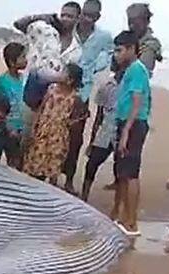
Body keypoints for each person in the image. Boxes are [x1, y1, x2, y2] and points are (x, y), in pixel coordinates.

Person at [62, 0, 113, 193]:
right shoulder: (68, 31)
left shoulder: (104, 37)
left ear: (97, 17)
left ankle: (68, 180)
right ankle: (51, 176)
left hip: (82, 93)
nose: (86, 18)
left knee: (75, 139)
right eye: (84, 14)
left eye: (91, 15)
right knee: (56, 135)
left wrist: (95, 69)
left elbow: (109, 56)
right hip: (61, 90)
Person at [111, 31, 152, 237]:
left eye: (119, 50)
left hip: (133, 124)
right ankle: (124, 217)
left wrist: (126, 131)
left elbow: (137, 101)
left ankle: (132, 222)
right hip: (126, 122)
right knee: (124, 173)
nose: (116, 55)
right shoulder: (130, 70)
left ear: (131, 49)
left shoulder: (136, 70)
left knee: (131, 173)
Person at [14, 3, 82, 112]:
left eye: (70, 16)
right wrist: (46, 16)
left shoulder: (77, 49)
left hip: (53, 103)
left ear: (78, 19)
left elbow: (69, 78)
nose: (65, 19)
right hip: (30, 96)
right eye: (62, 15)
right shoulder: (45, 31)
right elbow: (18, 24)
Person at [23, 63, 84, 184]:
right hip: (43, 132)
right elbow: (40, 109)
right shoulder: (51, 90)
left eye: (63, 72)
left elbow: (75, 122)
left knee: (53, 166)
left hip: (58, 137)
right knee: (36, 163)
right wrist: (34, 127)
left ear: (70, 80)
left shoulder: (75, 98)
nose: (59, 74)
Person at [81, 59, 122, 201]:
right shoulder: (107, 86)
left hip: (122, 132)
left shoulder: (131, 86)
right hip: (106, 130)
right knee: (92, 163)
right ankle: (84, 195)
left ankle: (119, 202)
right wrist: (92, 140)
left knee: (122, 169)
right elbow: (99, 116)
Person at [0, 42, 27, 169]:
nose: (26, 60)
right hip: (1, 128)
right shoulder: (2, 81)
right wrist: (8, 127)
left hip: (19, 129)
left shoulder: (24, 79)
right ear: (12, 62)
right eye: (22, 57)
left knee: (15, 163)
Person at [126, 3, 162, 75]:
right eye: (130, 22)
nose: (132, 26)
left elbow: (141, 72)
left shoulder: (150, 45)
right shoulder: (128, 40)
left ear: (147, 22)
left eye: (137, 24)